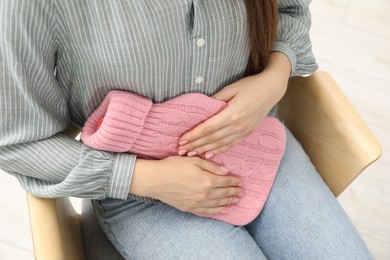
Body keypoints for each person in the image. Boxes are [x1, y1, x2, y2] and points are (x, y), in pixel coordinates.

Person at [0, 0, 373, 259]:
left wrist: (276, 75)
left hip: (256, 146)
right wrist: (142, 177)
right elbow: (18, 142)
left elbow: (290, 8)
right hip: (142, 197)